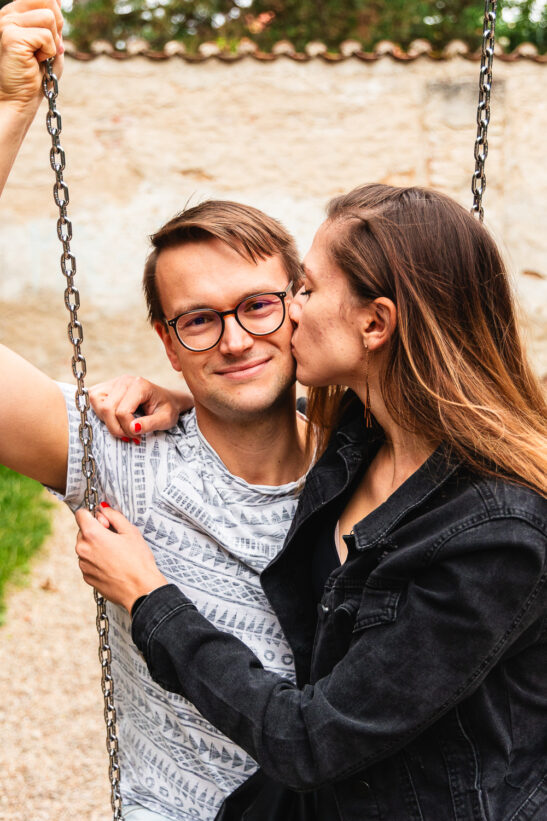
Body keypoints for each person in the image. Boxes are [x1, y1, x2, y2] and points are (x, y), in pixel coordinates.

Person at [76, 183, 547, 820]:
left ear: (375, 323)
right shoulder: (364, 444)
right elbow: (269, 404)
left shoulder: (495, 536)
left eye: (303, 290)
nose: (287, 314)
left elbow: (310, 742)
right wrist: (196, 393)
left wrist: (148, 599)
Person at [0, 4, 315, 818]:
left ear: (298, 306)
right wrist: (9, 109)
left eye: (258, 306)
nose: (236, 339)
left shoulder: (374, 456)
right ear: (167, 342)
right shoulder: (121, 449)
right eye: (199, 319)